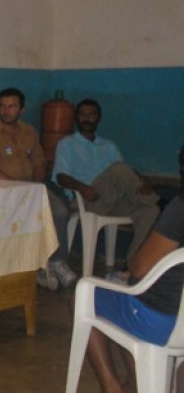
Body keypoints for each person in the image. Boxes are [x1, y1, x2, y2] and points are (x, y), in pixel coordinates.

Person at [85, 145, 184, 393]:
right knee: (123, 291)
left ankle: (113, 386)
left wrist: (136, 272)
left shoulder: (180, 209)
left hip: (164, 321)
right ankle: (138, 383)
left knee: (90, 295)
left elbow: (140, 266)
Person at [0, 87, 76, 289]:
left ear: (21, 109)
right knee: (30, 215)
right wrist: (20, 190)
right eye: (2, 106)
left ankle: (56, 262)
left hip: (33, 188)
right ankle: (41, 266)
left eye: (12, 106)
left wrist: (35, 186)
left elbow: (39, 163)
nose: (6, 111)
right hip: (2, 191)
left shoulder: (29, 131)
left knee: (61, 212)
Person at [52, 99, 159, 269]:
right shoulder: (67, 144)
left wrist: (142, 181)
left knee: (150, 211)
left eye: (91, 114)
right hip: (87, 199)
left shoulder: (109, 146)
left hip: (113, 199)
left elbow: (126, 174)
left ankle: (133, 267)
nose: (87, 118)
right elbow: (60, 176)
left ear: (99, 118)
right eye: (82, 114)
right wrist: (81, 187)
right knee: (118, 169)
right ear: (76, 118)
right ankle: (156, 200)